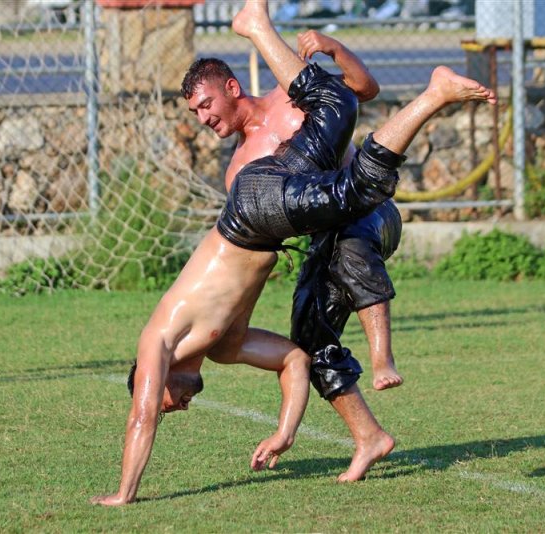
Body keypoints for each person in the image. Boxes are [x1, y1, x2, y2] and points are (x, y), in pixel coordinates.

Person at [91, 0, 496, 507]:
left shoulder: (158, 341)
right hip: (269, 209)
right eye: (194, 114)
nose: (176, 407)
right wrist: (285, 432)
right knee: (312, 327)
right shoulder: (223, 345)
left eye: (205, 106)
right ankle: (370, 435)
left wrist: (124, 494)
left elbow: (140, 416)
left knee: (345, 135)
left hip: (276, 214)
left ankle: (257, 24)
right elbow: (294, 361)